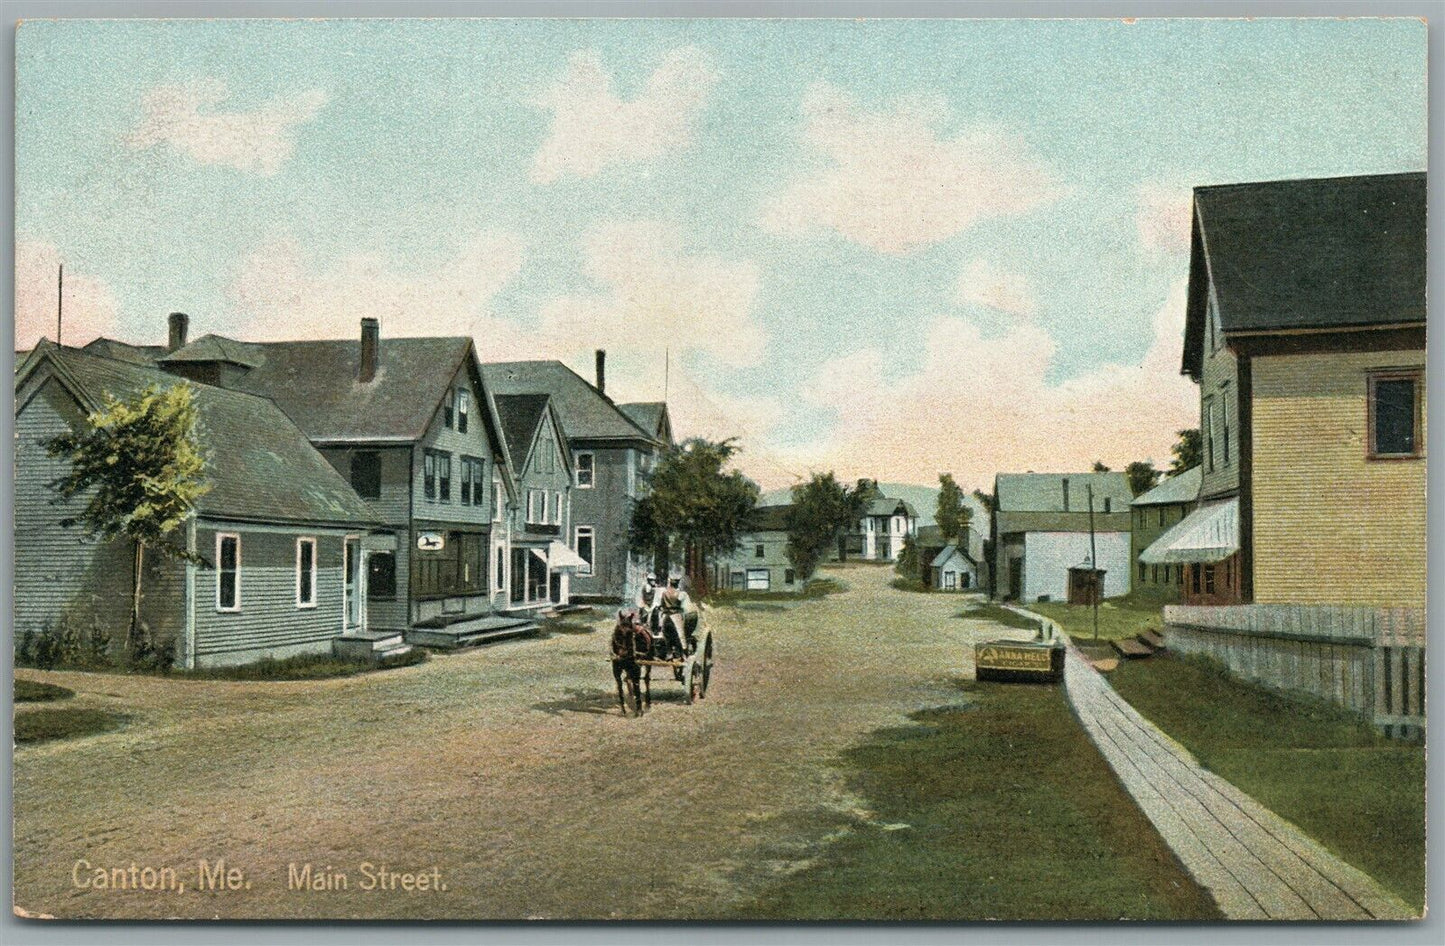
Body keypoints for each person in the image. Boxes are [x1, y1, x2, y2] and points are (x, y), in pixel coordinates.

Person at [657, 575, 693, 659]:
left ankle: (668, 652)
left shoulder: (664, 593)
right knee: (681, 634)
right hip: (676, 615)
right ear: (677, 583)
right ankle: (685, 652)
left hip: (666, 615)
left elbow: (661, 605)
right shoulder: (680, 594)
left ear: (670, 583)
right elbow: (684, 607)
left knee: (664, 633)